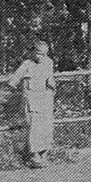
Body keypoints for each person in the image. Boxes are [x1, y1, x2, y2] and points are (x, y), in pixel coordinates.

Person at [8, 39, 55, 168]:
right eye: (38, 53)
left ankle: (43, 155)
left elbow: (50, 80)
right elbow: (13, 82)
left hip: (45, 100)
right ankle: (34, 157)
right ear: (33, 52)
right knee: (34, 129)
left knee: (46, 128)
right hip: (32, 101)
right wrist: (22, 90)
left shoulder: (48, 62)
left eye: (43, 54)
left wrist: (51, 88)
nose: (40, 57)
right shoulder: (27, 64)